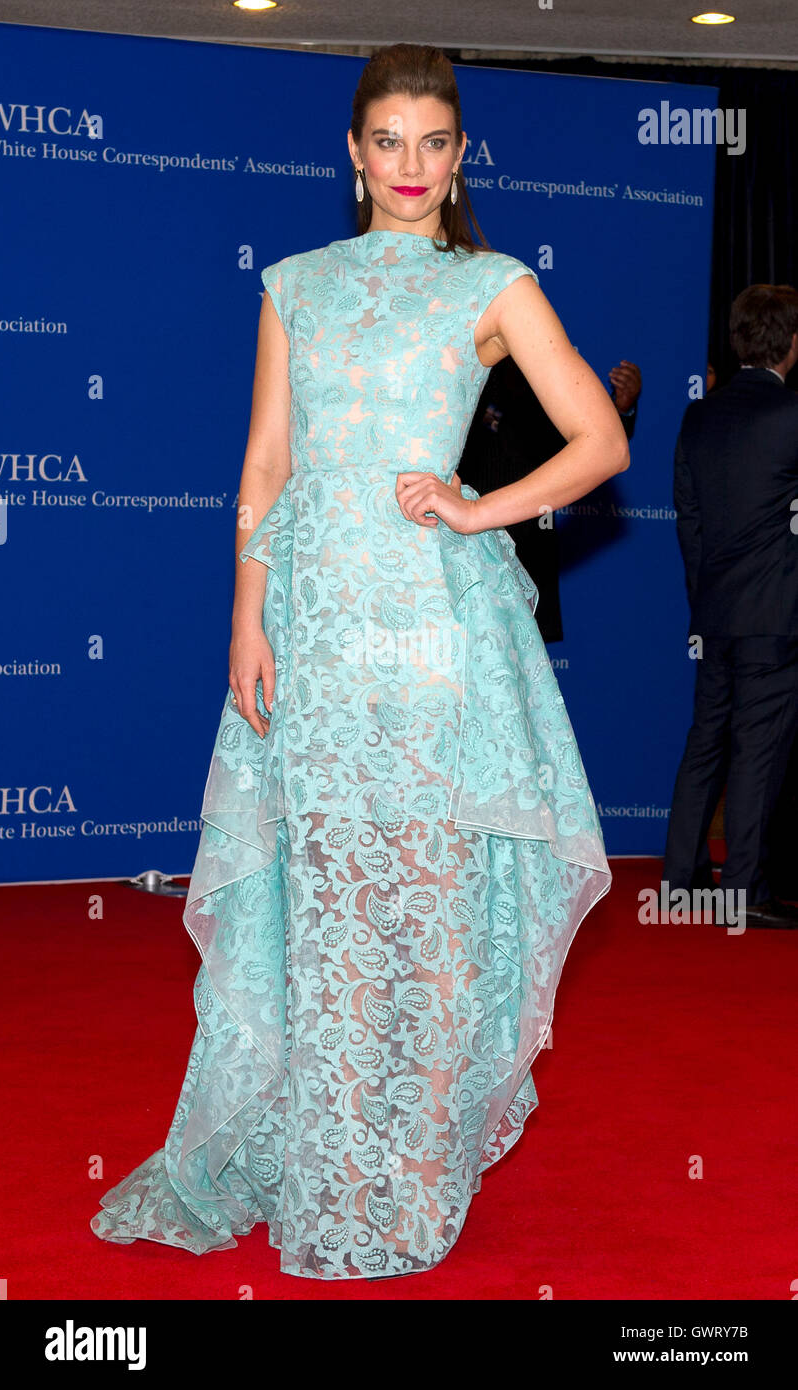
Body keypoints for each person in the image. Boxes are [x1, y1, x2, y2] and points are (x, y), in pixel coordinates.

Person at [90, 43, 629, 1280]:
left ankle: (408, 1161)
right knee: (324, 905)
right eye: (386, 140)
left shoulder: (493, 285)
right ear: (351, 150)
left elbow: (597, 435)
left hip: (433, 632)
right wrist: (246, 617)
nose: (409, 166)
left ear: (457, 154)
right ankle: (325, 1152)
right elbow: (266, 469)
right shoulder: (295, 285)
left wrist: (478, 508)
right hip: (318, 630)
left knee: (427, 904)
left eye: (432, 143)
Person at [662, 284, 798, 928]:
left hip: (714, 610)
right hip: (776, 615)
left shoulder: (700, 416)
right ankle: (743, 889)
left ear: (738, 341)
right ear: (792, 344)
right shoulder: (791, 414)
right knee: (757, 747)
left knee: (706, 740)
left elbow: (688, 520)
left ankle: (681, 879)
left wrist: (704, 593)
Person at [458, 356, 641, 642]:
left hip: (530, 540)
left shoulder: (542, 368)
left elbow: (587, 441)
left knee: (528, 668)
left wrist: (620, 408)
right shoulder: (462, 362)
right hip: (466, 541)